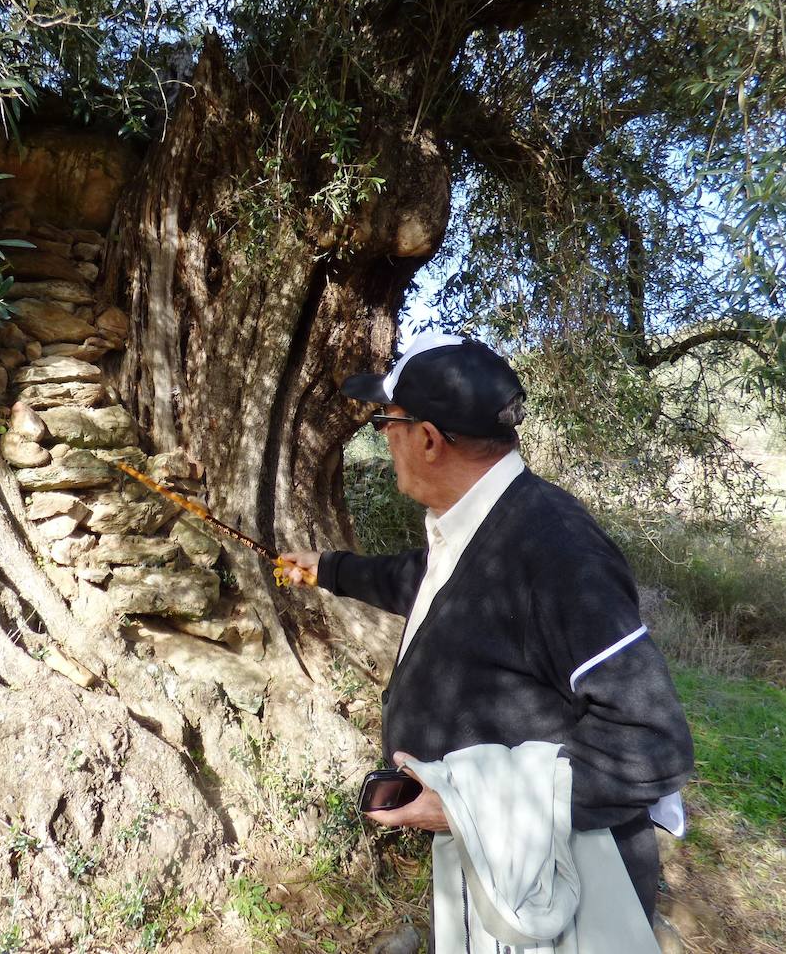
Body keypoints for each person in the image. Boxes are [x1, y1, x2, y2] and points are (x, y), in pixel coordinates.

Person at [280, 333, 693, 924]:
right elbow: (431, 583)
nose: (387, 440)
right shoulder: (485, 527)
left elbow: (651, 744)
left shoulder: (558, 553)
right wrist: (330, 570)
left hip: (570, 886)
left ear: (426, 438)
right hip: (512, 872)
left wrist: (466, 804)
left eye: (386, 424)